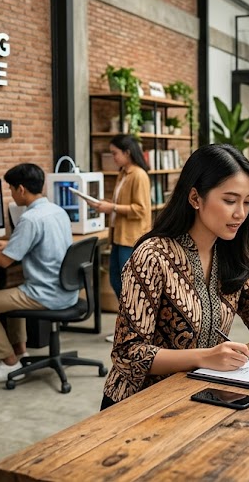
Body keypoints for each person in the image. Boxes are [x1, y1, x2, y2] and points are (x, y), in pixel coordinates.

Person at [101, 145, 249, 408]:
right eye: (229, 200)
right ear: (195, 198)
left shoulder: (232, 250)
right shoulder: (153, 256)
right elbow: (128, 353)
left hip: (199, 395)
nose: (240, 213)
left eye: (247, 201)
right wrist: (204, 357)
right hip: (137, 404)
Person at [0, 163, 73, 383]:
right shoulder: (57, 211)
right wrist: (9, 242)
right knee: (12, 294)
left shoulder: (30, 219)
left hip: (45, 293)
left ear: (21, 189)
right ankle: (20, 352)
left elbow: (4, 262)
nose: (12, 194)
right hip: (66, 290)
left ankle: (8, 362)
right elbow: (37, 241)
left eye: (12, 189)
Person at [85, 134, 152, 342]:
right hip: (118, 236)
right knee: (116, 280)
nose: (112, 157)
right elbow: (122, 204)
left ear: (127, 152)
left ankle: (134, 331)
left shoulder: (138, 175)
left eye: (115, 153)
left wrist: (111, 207)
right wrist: (104, 205)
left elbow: (141, 209)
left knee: (128, 284)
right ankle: (127, 327)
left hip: (130, 238)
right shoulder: (123, 174)